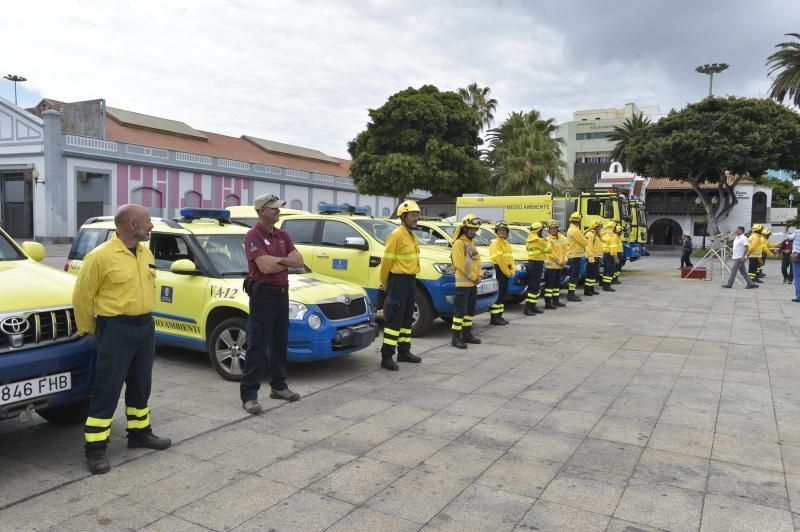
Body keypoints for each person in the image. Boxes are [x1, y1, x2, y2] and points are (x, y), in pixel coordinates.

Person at [73, 204, 171, 475]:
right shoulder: (100, 256)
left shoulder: (145, 251)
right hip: (115, 327)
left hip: (144, 326)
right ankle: (95, 450)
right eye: (147, 221)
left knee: (141, 385)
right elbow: (82, 296)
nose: (151, 225)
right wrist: (89, 330)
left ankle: (140, 433)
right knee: (107, 389)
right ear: (131, 224)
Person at [240, 194, 304, 415]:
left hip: (282, 295)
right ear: (261, 211)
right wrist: (286, 262)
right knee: (257, 345)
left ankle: (278, 387)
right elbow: (265, 268)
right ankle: (249, 396)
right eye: (273, 208)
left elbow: (300, 261)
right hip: (263, 296)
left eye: (278, 208)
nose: (278, 211)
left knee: (279, 343)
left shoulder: (282, 234)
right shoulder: (253, 235)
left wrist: (277, 261)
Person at [379, 200, 422, 370]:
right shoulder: (396, 235)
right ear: (403, 216)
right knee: (394, 318)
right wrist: (385, 284)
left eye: (417, 215)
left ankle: (404, 351)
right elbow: (386, 262)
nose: (416, 218)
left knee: (406, 318)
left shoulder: (412, 235)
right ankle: (387, 356)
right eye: (413, 215)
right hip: (398, 281)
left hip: (410, 280)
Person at [451, 214, 483, 348]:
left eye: (475, 229)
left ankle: (467, 334)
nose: (473, 231)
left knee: (469, 311)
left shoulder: (471, 243)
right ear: (464, 229)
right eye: (471, 229)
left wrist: (480, 275)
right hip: (463, 284)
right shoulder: (459, 243)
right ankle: (456, 338)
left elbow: (477, 261)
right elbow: (460, 264)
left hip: (473, 283)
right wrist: (474, 277)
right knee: (460, 313)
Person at [488, 221, 514, 325]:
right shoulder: (495, 244)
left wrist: (512, 270)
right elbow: (500, 261)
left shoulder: (507, 244)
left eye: (504, 230)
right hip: (499, 270)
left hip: (506, 271)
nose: (502, 232)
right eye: (500, 230)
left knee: (503, 295)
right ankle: (494, 318)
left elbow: (510, 258)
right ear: (497, 232)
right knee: (498, 295)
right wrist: (508, 272)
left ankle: (499, 316)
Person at [524, 221, 551, 315]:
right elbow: (549, 250)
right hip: (537, 264)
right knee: (534, 287)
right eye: (542, 230)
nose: (543, 232)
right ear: (538, 231)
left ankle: (533, 306)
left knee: (534, 286)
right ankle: (528, 308)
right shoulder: (540, 241)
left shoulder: (529, 240)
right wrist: (547, 240)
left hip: (532, 263)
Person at [544, 219, 567, 309]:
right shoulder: (548, 240)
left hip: (559, 266)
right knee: (549, 286)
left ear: (557, 229)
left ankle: (556, 300)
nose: (553, 230)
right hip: (551, 266)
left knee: (557, 285)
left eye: (554, 228)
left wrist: (565, 259)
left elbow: (565, 250)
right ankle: (548, 303)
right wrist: (560, 261)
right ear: (549, 230)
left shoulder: (562, 239)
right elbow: (550, 254)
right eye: (551, 229)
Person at [565, 212, 587, 302]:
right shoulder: (575, 230)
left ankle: (571, 293)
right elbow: (585, 243)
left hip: (573, 256)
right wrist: (586, 239)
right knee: (574, 276)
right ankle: (571, 294)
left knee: (574, 275)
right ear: (579, 221)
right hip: (575, 256)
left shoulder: (573, 229)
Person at [583, 221, 603, 296]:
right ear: (595, 227)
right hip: (592, 259)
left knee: (593, 275)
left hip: (596, 258)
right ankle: (587, 290)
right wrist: (591, 259)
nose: (600, 228)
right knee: (589, 276)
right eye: (598, 227)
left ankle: (591, 289)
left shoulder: (596, 235)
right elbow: (589, 247)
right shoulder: (590, 234)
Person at [601, 222, 617, 292]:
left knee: (606, 270)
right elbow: (613, 250)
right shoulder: (612, 237)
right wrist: (616, 259)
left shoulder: (604, 235)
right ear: (613, 228)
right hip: (609, 255)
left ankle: (604, 285)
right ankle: (607, 286)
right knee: (610, 271)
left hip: (604, 254)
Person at [792, 229, 800, 302]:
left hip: (797, 255)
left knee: (797, 277)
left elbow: (790, 237)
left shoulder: (797, 232)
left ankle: (799, 296)